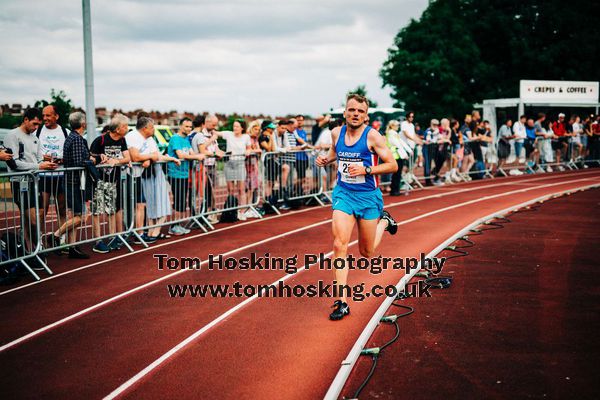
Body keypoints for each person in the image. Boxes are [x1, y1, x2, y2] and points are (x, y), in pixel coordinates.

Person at [315, 94, 398, 321]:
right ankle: (342, 301)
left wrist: (367, 170)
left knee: (367, 252)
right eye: (352, 110)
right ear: (345, 112)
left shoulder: (373, 137)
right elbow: (336, 152)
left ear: (366, 115)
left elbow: (393, 165)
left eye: (360, 111)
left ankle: (384, 221)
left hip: (369, 197)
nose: (355, 114)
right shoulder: (336, 133)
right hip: (344, 194)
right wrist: (326, 159)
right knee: (339, 244)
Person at [4, 107, 58, 252]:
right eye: (34, 124)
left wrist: (49, 164)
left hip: (35, 182)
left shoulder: (35, 138)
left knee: (36, 218)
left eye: (38, 125)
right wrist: (39, 165)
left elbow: (39, 158)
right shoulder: (12, 135)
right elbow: (13, 163)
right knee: (32, 219)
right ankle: (33, 249)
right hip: (20, 182)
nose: (36, 127)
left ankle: (31, 249)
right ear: (26, 120)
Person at [50, 111, 92, 259]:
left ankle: (72, 247)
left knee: (76, 215)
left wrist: (95, 157)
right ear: (83, 124)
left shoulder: (71, 138)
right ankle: (55, 235)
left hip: (72, 182)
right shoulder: (77, 139)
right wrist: (92, 162)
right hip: (74, 183)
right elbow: (78, 162)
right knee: (81, 217)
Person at [89, 114, 131, 252]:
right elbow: (90, 158)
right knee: (97, 211)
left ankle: (112, 237)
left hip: (113, 181)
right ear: (118, 129)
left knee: (112, 210)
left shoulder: (122, 140)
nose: (127, 128)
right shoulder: (100, 140)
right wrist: (99, 159)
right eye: (125, 126)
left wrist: (116, 161)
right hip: (99, 181)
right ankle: (98, 240)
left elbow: (127, 158)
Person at [167, 117, 205, 235]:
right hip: (175, 173)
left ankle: (178, 224)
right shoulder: (175, 138)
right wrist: (197, 157)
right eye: (186, 126)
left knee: (182, 200)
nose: (189, 129)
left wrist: (198, 155)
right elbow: (181, 155)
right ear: (180, 126)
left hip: (184, 174)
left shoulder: (186, 139)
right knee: (178, 200)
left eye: (190, 127)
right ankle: (174, 226)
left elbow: (191, 153)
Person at [194, 114, 225, 225]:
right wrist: (212, 139)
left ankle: (210, 212)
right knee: (206, 191)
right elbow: (201, 149)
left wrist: (222, 153)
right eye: (213, 124)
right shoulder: (200, 134)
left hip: (212, 165)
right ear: (206, 122)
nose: (215, 126)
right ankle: (206, 213)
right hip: (203, 166)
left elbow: (216, 148)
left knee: (211, 190)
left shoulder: (213, 133)